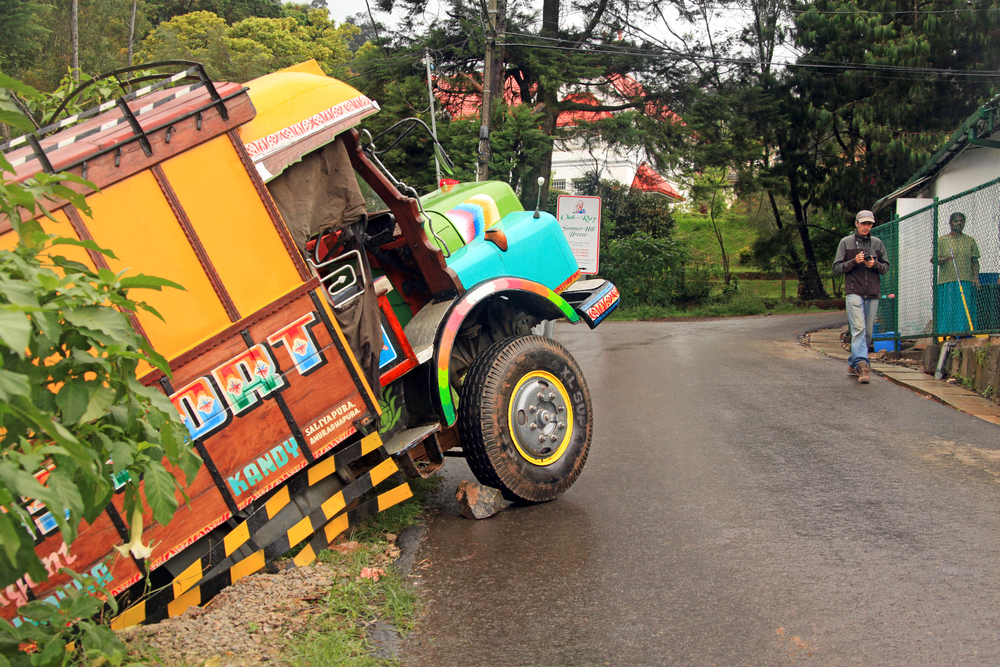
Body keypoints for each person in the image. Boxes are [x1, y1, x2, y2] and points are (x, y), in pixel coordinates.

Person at [833, 210, 890, 384]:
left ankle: (853, 362)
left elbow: (886, 267)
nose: (866, 227)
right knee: (858, 329)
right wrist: (854, 262)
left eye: (869, 224)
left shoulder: (877, 243)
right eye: (863, 223)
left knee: (868, 332)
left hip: (872, 292)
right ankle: (863, 365)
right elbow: (836, 268)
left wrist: (874, 264)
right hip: (854, 292)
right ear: (856, 223)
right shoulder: (846, 242)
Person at [933, 211, 980, 335]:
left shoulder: (970, 240)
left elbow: (974, 261)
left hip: (966, 279)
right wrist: (945, 259)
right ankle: (947, 334)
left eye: (961, 221)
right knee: (949, 308)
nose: (959, 223)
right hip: (947, 281)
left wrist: (976, 278)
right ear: (950, 223)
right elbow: (933, 259)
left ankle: (964, 333)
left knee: (964, 308)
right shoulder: (942, 240)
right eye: (956, 221)